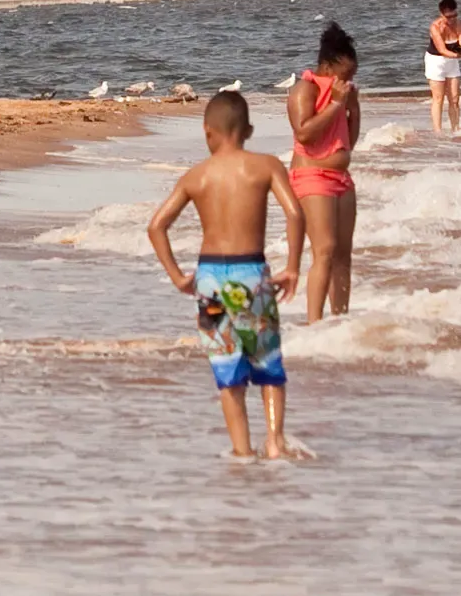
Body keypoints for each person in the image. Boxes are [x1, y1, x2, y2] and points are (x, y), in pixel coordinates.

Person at [146, 91, 305, 459]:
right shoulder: (265, 166)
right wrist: (293, 266)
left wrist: (177, 276)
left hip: (210, 281)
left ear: (207, 133)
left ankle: (241, 450)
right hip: (251, 274)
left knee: (227, 368)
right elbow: (295, 214)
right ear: (248, 129)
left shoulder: (195, 176)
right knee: (265, 361)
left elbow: (156, 227)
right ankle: (275, 442)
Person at [285, 22, 362, 320]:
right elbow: (305, 134)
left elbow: (349, 142)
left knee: (344, 255)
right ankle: (314, 321)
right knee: (325, 250)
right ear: (328, 67)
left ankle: (339, 319)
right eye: (345, 75)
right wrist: (335, 105)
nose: (349, 81)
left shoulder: (343, 93)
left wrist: (353, 110)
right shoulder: (304, 90)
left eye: (353, 76)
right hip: (311, 176)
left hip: (341, 178)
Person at [425, 0, 461, 132]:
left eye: (455, 15)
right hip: (436, 61)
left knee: (455, 98)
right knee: (438, 98)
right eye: (449, 17)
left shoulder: (460, 24)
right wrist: (458, 55)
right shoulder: (435, 27)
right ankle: (438, 131)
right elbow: (442, 50)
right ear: (442, 14)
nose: (452, 19)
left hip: (452, 62)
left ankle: (455, 129)